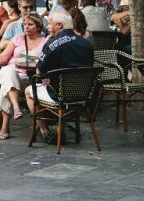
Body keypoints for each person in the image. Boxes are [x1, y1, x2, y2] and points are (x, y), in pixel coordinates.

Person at [25, 11, 93, 143]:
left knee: (29, 91)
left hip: (59, 96)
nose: (48, 27)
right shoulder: (86, 43)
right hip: (83, 95)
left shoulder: (52, 43)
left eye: (50, 24)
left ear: (59, 25)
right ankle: (60, 123)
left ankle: (44, 131)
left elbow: (39, 71)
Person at [0, 14, 47, 139]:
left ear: (38, 27)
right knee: (7, 71)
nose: (26, 27)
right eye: (24, 24)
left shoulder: (45, 42)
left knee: (6, 87)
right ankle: (16, 107)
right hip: (14, 75)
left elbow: (44, 62)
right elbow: (4, 56)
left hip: (32, 79)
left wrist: (21, 59)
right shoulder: (18, 38)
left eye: (30, 24)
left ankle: (5, 126)